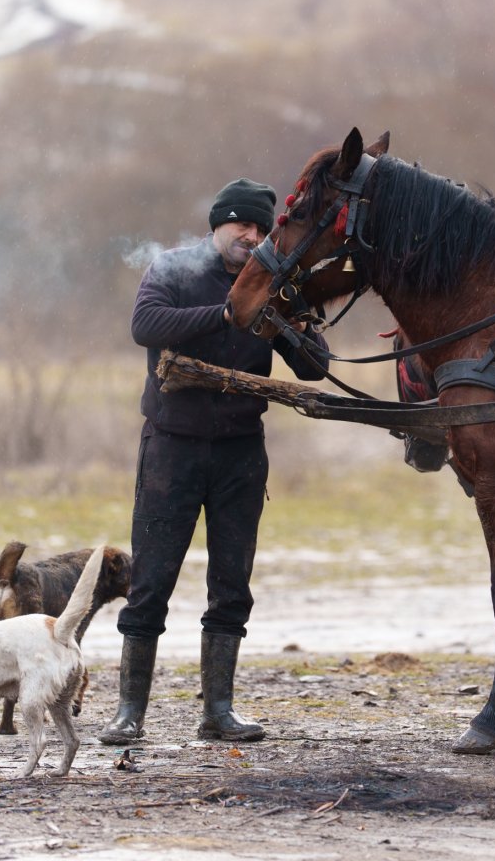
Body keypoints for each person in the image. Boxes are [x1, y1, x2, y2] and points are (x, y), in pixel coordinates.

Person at [100, 178, 328, 745]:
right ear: (217, 225)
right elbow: (143, 327)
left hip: (241, 455)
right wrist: (224, 316)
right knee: (150, 583)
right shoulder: (173, 271)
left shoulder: (276, 282)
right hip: (170, 451)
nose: (250, 236)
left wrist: (283, 324)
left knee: (232, 586)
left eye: (260, 227)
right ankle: (130, 713)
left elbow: (314, 369)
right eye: (240, 225)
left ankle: (218, 712)